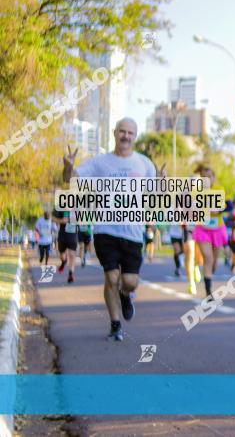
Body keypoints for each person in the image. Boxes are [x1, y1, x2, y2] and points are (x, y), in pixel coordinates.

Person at [62, 118, 161, 341]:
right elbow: (72, 180)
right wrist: (68, 167)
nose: (125, 136)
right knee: (111, 277)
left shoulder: (144, 164)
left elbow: (155, 196)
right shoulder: (100, 163)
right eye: (122, 132)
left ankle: (126, 296)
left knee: (129, 281)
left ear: (135, 136)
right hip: (105, 230)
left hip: (133, 232)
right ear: (114, 133)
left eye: (130, 133)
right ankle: (115, 324)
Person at [191, 166, 227, 298]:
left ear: (214, 178)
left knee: (214, 262)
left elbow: (222, 206)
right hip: (202, 229)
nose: (207, 179)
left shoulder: (219, 190)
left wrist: (219, 209)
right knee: (208, 258)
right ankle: (208, 291)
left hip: (217, 229)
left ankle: (208, 275)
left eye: (210, 177)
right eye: (204, 177)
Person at [51, 209, 78, 283]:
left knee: (72, 255)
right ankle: (64, 262)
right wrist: (61, 221)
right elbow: (53, 218)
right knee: (62, 255)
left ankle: (70, 274)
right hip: (62, 236)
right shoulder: (60, 210)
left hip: (73, 236)